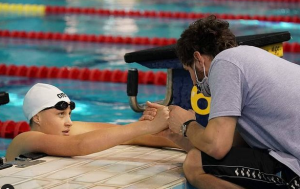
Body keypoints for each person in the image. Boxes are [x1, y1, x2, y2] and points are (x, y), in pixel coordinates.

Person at [142, 15, 300, 189]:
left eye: (189, 70)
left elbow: (217, 147)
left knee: (194, 164)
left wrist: (186, 124)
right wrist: (175, 135)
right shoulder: (249, 58)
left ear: (198, 59)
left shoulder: (224, 64)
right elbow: (233, 144)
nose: (194, 82)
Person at [5, 83, 183, 162]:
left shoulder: (66, 130)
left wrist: (181, 141)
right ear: (37, 117)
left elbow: (124, 136)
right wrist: (146, 125)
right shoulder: (27, 139)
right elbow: (79, 145)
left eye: (69, 114)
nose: (69, 122)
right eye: (60, 114)